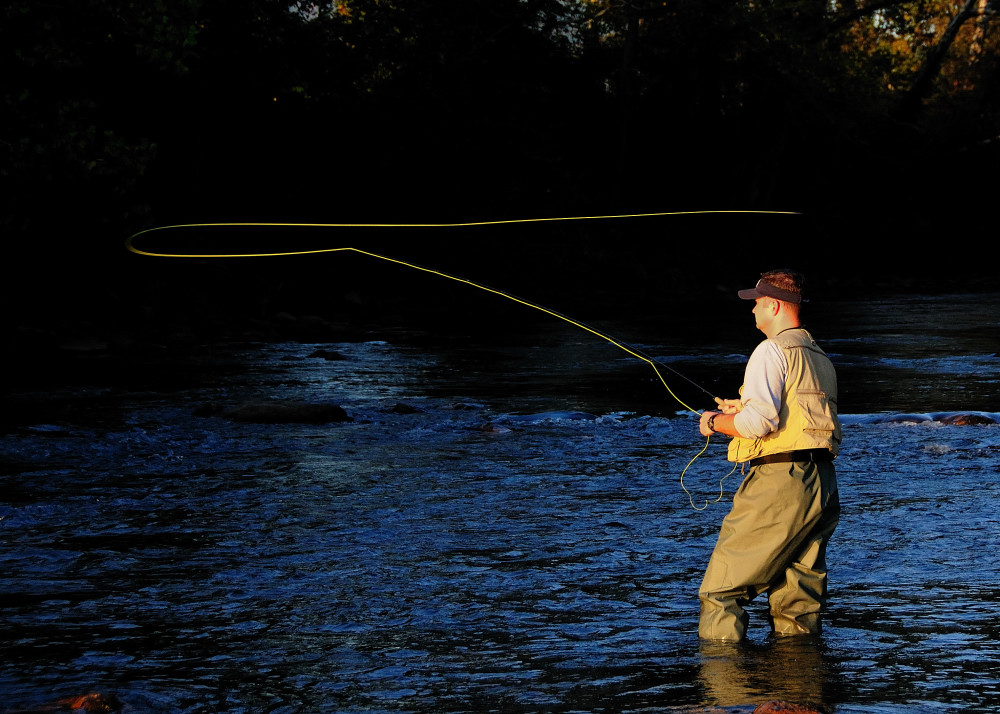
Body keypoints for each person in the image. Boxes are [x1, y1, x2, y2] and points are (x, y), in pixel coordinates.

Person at [696, 269, 842, 641]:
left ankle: (722, 676)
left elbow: (758, 423)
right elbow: (798, 411)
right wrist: (743, 406)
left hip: (780, 482)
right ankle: (799, 673)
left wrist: (713, 422)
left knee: (721, 593)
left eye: (757, 303)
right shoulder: (818, 355)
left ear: (774, 305)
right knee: (798, 600)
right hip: (822, 484)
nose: (753, 310)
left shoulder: (770, 350)